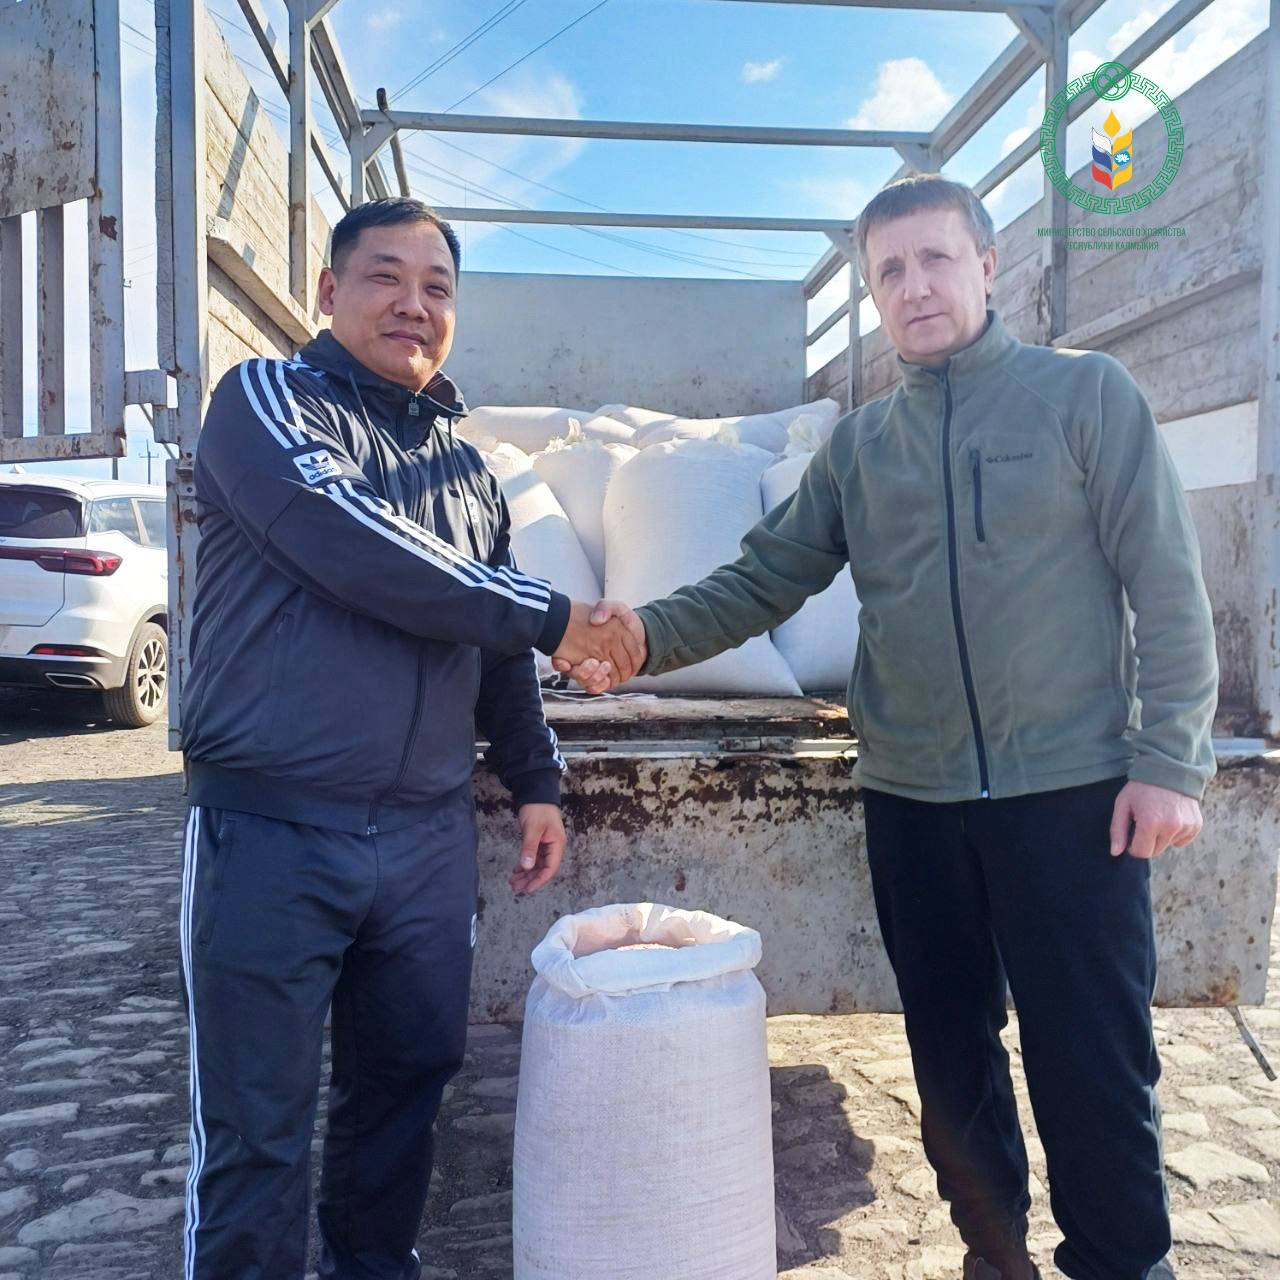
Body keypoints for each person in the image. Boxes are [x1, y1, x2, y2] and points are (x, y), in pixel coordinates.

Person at [560, 175, 1216, 1280]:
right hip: (913, 800)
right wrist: (637, 641)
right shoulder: (860, 447)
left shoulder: (1084, 396)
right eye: (890, 272)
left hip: (1072, 795)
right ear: (873, 293)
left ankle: (1119, 1264)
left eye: (936, 259)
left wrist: (1170, 763)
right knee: (949, 1055)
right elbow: (760, 579)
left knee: (1093, 1058)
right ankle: (993, 1256)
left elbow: (1167, 582)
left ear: (987, 265)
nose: (915, 287)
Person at [178, 197, 642, 1280]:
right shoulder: (262, 400)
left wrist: (535, 779)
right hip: (272, 829)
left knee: (405, 1090)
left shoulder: (468, 474)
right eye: (384, 277)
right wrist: (553, 614)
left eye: (437, 288)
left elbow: (493, 644)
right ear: (328, 291)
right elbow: (350, 540)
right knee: (255, 1129)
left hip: (426, 839)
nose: (412, 304)